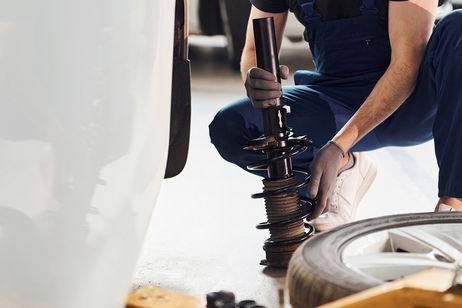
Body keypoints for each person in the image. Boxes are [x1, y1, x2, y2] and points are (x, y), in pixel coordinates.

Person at [209, 0, 462, 231]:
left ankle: (454, 206)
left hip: (414, 105)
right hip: (336, 102)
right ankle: (339, 173)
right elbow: (253, 48)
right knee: (232, 126)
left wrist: (339, 144)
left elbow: (407, 64)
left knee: (458, 25)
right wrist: (256, 80)